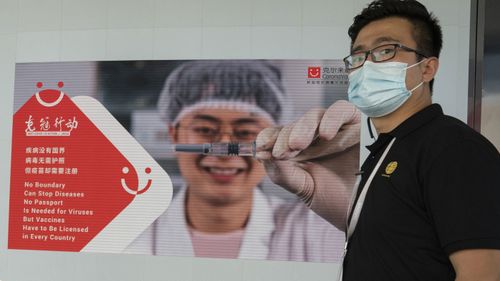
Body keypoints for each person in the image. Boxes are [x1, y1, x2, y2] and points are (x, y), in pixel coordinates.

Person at [256, 0, 500, 280]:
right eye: (358, 57)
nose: (368, 66)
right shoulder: (387, 148)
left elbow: (485, 272)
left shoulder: (452, 147)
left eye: (386, 50)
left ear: (427, 68)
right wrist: (351, 213)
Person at [125, 60, 358, 262]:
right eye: (205, 128)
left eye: (245, 130)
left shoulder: (319, 229)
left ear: (275, 136)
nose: (225, 149)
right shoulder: (128, 232)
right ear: (174, 134)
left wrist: (360, 210)